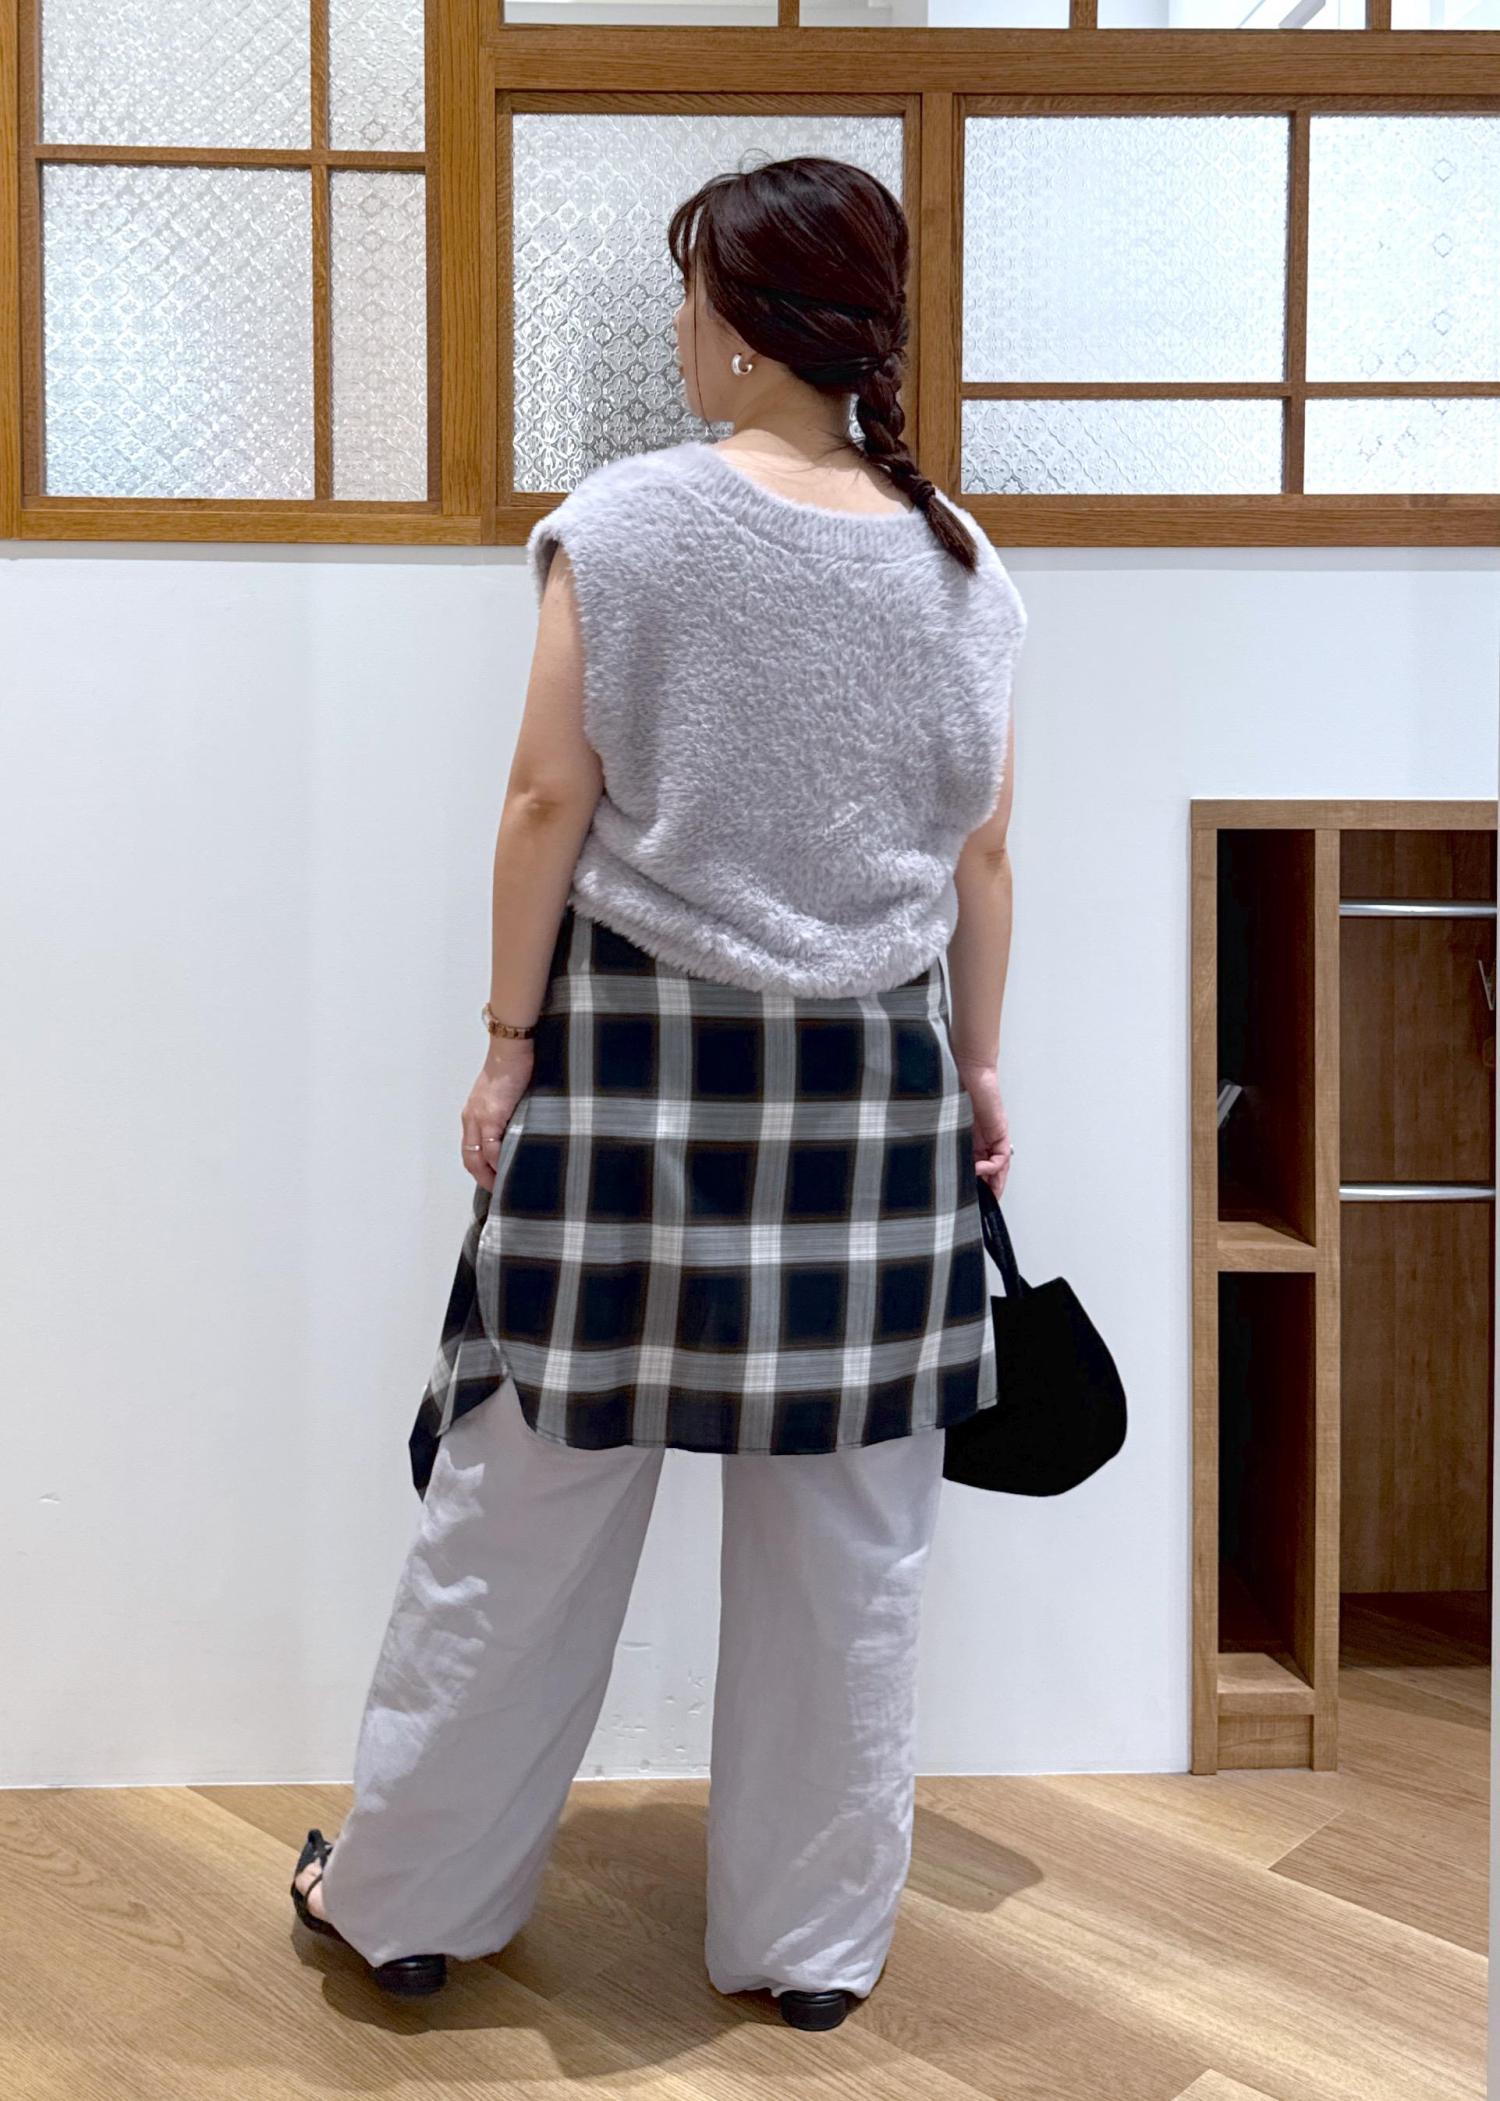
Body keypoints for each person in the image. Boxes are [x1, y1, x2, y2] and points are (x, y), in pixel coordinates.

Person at [289, 153, 1026, 2031]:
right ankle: (810, 1948)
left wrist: (505, 1035)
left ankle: (405, 1900)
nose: (682, 330)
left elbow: (547, 799)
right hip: (875, 1083)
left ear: (747, 323)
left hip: (634, 1070)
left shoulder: (622, 525)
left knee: (519, 1504)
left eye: (692, 296)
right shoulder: (961, 559)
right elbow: (981, 859)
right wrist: (979, 1064)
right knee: (851, 1548)